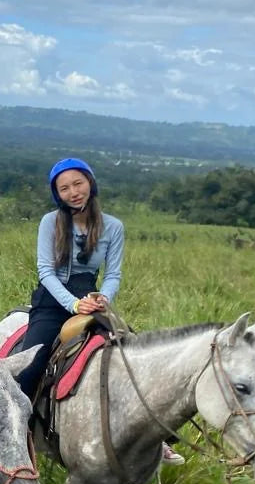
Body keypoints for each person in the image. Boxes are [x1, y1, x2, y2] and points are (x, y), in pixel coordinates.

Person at [12, 157, 182, 465]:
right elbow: (45, 270)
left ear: (90, 183)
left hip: (92, 299)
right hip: (53, 301)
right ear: (57, 194)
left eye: (78, 183)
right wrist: (73, 304)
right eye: (64, 188)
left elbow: (113, 273)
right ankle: (15, 429)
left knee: (130, 352)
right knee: (30, 364)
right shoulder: (50, 222)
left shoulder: (113, 227)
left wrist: (103, 297)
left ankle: (156, 437)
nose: (73, 192)